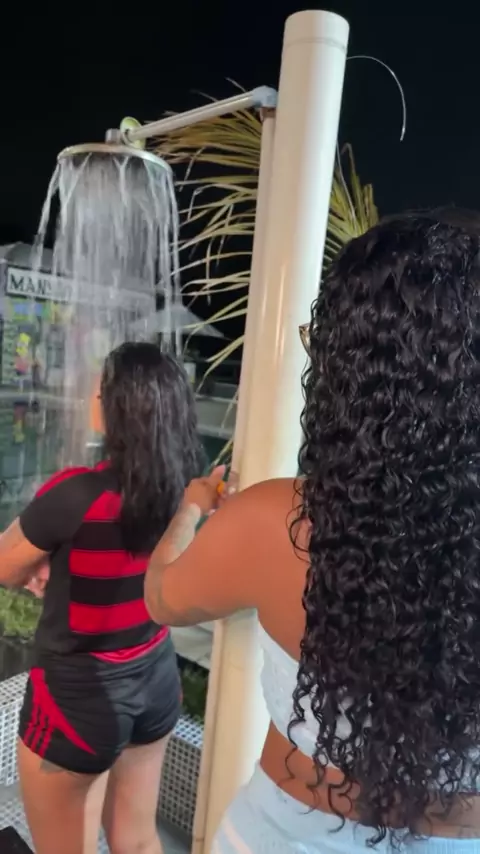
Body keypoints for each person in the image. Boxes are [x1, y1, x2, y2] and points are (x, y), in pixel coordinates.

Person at [145, 209, 480, 852]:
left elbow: (162, 597)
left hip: (282, 835)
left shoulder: (278, 521)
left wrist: (190, 509)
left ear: (350, 369)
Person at [0, 342, 204, 854]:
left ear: (120, 410)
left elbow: (3, 565)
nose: (92, 399)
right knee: (138, 842)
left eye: (99, 393)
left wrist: (36, 565)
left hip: (78, 700)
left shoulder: (76, 494)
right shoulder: (186, 490)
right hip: (155, 679)